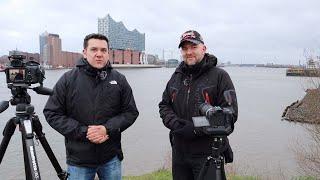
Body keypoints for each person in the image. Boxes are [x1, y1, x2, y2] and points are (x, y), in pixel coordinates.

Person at [43, 33, 139, 180]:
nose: (99, 54)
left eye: (103, 50)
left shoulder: (119, 79)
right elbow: (52, 113)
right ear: (85, 52)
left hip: (111, 157)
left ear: (108, 53)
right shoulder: (68, 80)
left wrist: (107, 129)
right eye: (94, 49)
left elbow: (130, 112)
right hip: (79, 161)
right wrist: (84, 132)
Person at [159, 30, 238, 180]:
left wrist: (196, 129)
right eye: (184, 48)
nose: (189, 52)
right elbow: (164, 105)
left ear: (204, 48)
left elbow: (230, 115)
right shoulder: (176, 76)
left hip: (208, 154)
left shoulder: (220, 76)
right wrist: (176, 124)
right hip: (179, 153)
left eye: (193, 47)